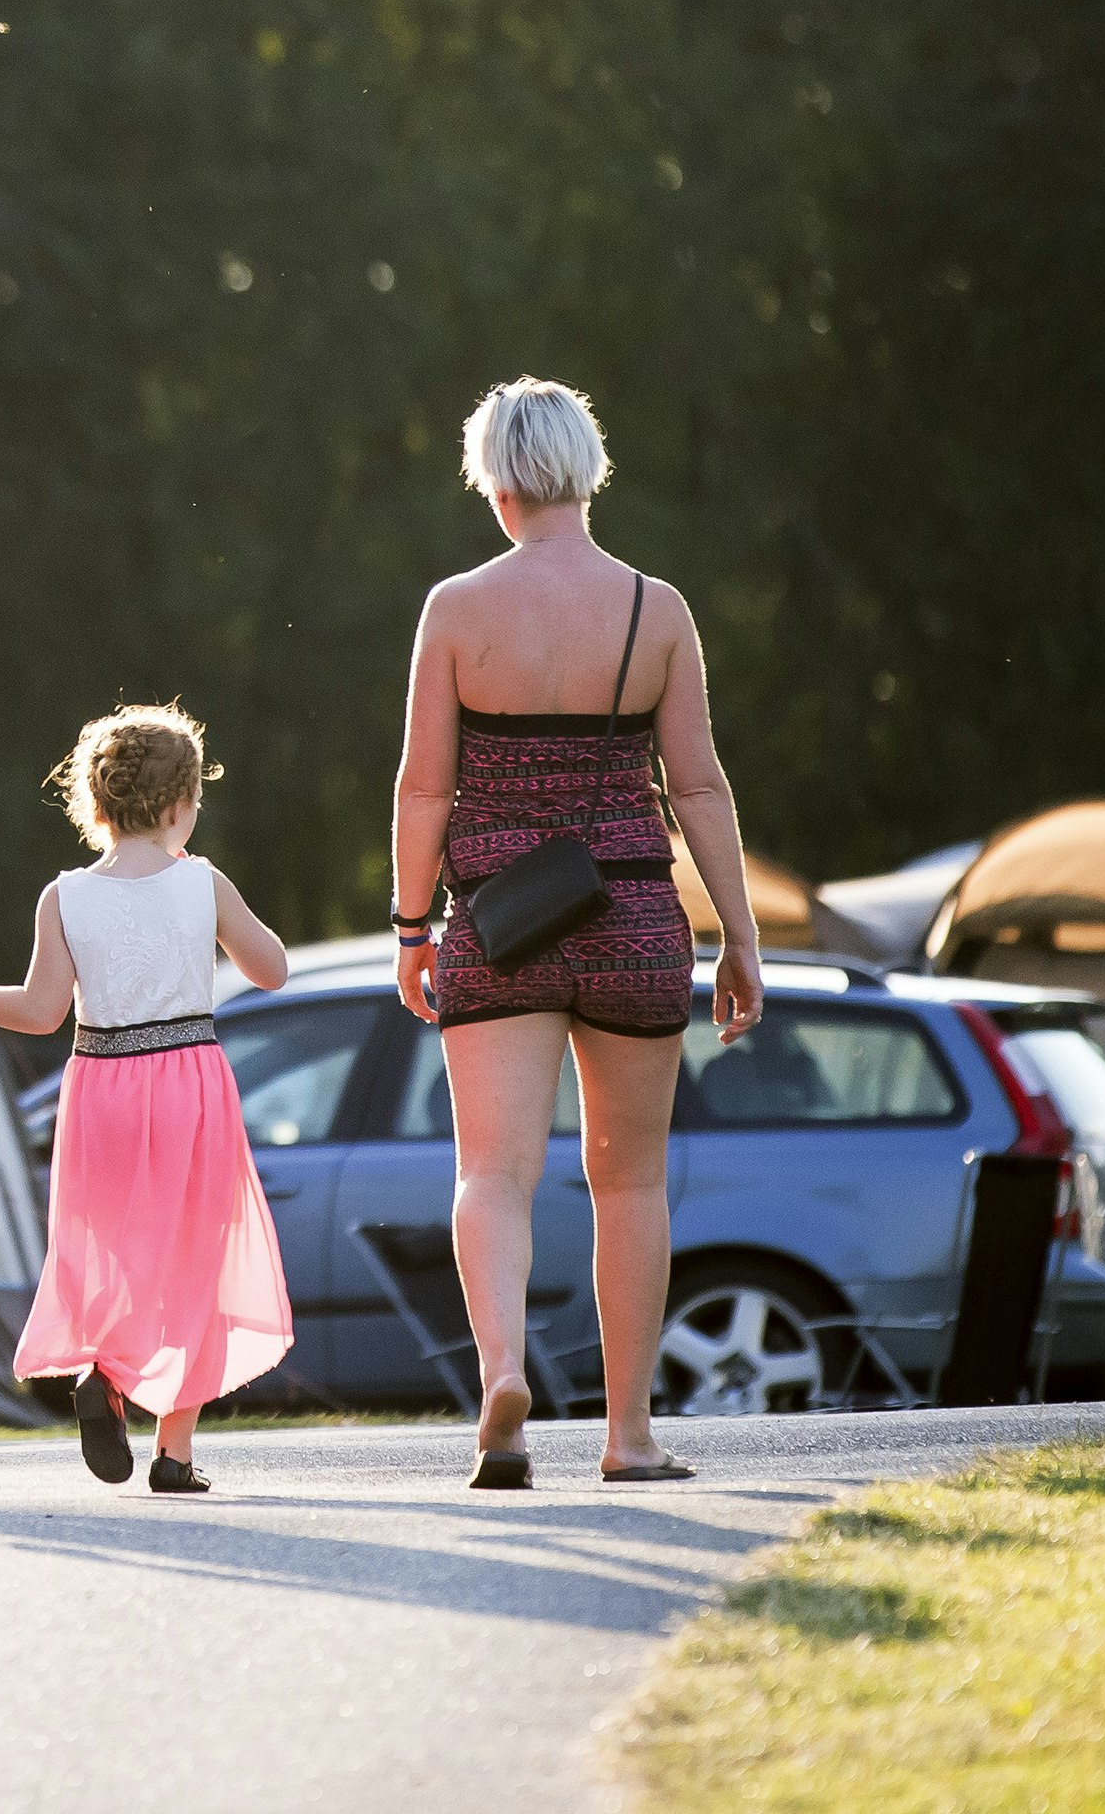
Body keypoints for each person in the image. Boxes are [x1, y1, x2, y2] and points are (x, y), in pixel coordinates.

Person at [394, 377, 765, 1489]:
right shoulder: (658, 609)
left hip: (501, 919)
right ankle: (629, 1435)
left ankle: (504, 1371)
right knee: (631, 1181)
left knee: (493, 1173)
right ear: (587, 468)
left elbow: (424, 789)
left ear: (497, 482)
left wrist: (414, 924)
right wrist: (740, 935)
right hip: (635, 918)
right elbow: (698, 788)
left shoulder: (457, 609)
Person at [0, 704, 292, 1493]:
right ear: (179, 805)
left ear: (95, 806)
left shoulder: (66, 896)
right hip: (190, 1083)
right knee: (197, 1259)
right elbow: (273, 971)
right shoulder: (202, 882)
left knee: (114, 1250)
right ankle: (175, 1453)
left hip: (100, 1088)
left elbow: (41, 1012)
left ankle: (106, 1370)